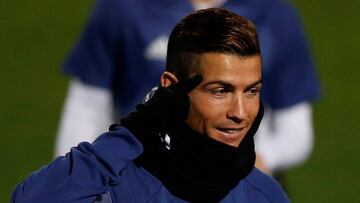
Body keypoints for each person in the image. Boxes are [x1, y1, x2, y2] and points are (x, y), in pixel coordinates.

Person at [12, 8, 290, 203]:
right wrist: (137, 128)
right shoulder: (113, 186)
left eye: (252, 91)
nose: (240, 113)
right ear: (171, 89)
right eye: (220, 91)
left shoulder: (265, 195)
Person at [55, 0, 321, 177]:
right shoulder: (122, 9)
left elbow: (296, 132)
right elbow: (85, 110)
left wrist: (255, 163)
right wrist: (76, 180)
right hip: (141, 179)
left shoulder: (276, 16)